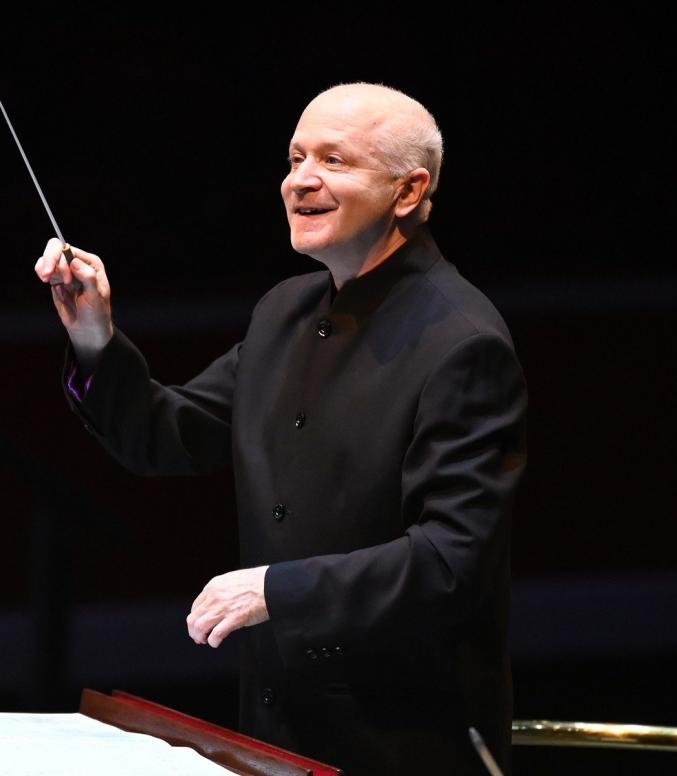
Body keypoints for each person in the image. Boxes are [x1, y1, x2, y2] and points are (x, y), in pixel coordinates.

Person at [34, 83, 527, 774]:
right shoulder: (283, 313)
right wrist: (93, 337)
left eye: (334, 160)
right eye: (295, 158)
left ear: (408, 191)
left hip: (400, 741)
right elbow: (167, 434)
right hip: (278, 731)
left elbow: (451, 562)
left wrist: (274, 590)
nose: (301, 180)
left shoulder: (462, 341)